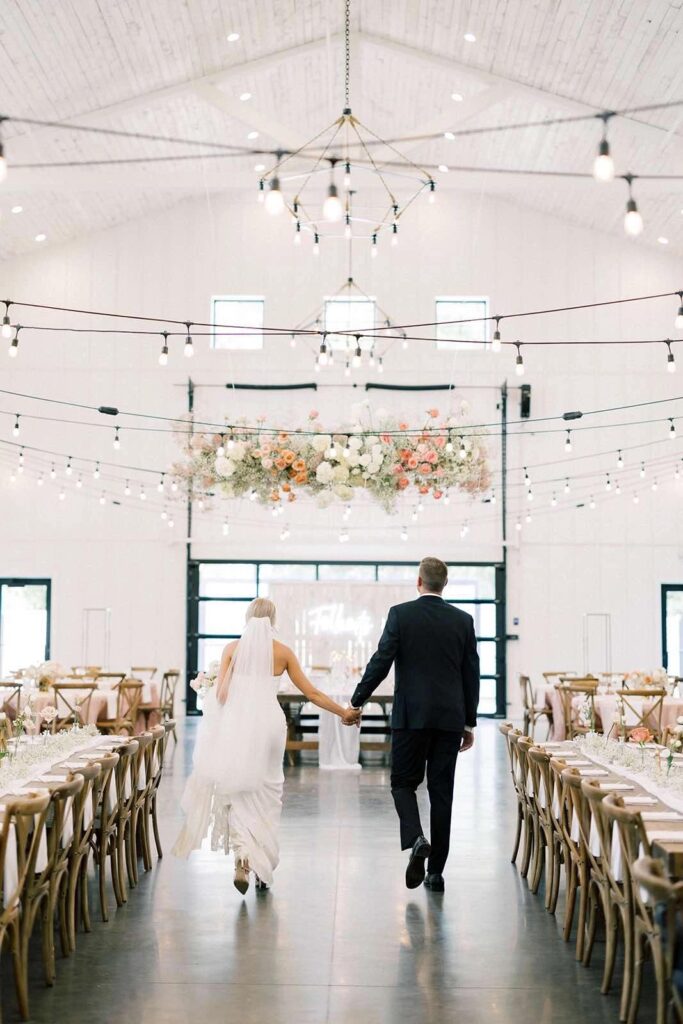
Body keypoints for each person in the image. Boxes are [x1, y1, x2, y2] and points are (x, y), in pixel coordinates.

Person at [173, 597, 360, 894]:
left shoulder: (232, 650)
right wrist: (344, 713)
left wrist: (220, 680)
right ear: (273, 622)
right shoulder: (283, 652)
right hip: (271, 728)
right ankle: (260, 865)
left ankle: (243, 859)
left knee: (238, 790)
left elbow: (220, 697)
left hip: (238, 727)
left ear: (247, 619)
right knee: (268, 791)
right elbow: (311, 693)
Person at [350, 557, 479, 893]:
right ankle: (436, 873)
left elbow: (381, 660)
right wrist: (469, 721)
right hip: (449, 720)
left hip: (410, 717)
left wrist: (357, 699)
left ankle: (416, 838)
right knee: (442, 795)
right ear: (444, 584)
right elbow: (471, 674)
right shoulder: (463, 621)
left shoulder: (400, 615)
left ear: (419, 582)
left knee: (402, 783)